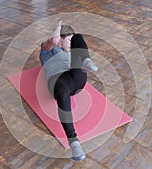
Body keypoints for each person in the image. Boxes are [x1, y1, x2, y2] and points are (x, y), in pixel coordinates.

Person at [39, 21, 98, 161]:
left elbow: (75, 41)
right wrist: (57, 26)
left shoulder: (68, 53)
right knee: (62, 94)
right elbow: (53, 40)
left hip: (76, 80)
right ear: (60, 39)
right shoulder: (46, 50)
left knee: (79, 37)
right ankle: (74, 143)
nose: (71, 44)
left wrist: (73, 40)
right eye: (68, 40)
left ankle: (86, 61)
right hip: (58, 81)